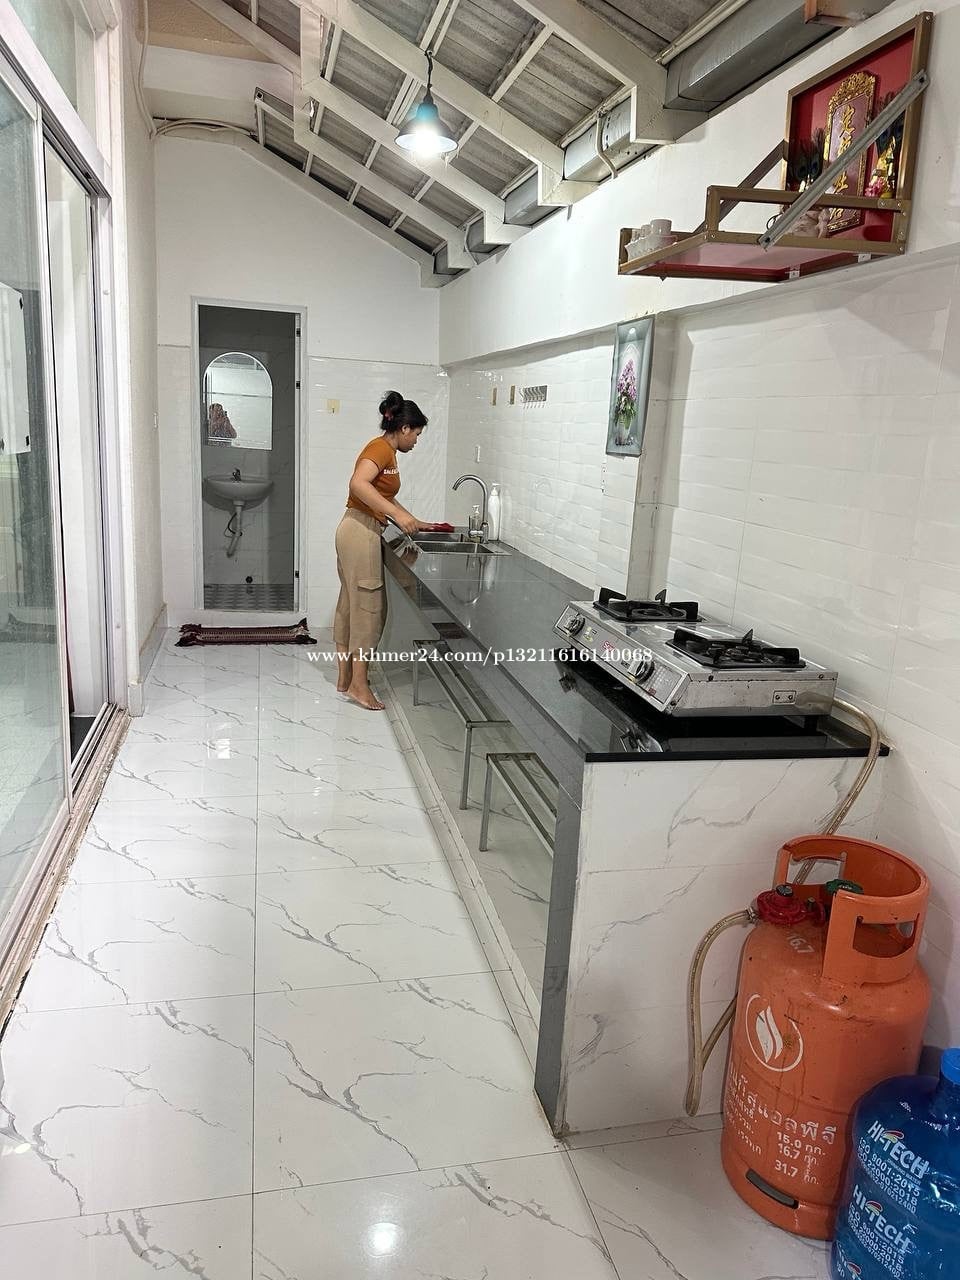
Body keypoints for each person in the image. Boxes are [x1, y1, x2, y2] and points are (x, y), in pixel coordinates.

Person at [334, 390, 430, 710]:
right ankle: (359, 686)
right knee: (369, 608)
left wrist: (412, 518)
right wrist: (397, 516)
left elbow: (382, 495)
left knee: (352, 603)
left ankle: (346, 677)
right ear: (404, 428)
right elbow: (358, 484)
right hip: (359, 530)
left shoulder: (387, 453)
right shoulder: (380, 448)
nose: (415, 441)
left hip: (356, 529)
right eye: (416, 434)